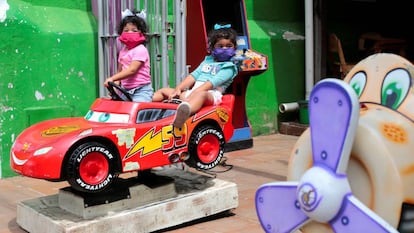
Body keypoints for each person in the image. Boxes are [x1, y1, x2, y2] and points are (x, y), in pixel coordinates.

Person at [152, 23, 239, 128]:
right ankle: (145, 104)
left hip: (210, 94)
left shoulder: (229, 67)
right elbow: (193, 76)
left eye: (229, 46)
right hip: (194, 92)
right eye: (220, 46)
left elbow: (211, 83)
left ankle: (184, 114)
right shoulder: (208, 61)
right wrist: (178, 89)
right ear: (212, 48)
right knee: (164, 91)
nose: (224, 49)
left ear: (234, 48)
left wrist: (194, 93)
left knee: (201, 95)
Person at [104, 9, 153, 102]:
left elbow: (132, 70)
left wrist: (112, 78)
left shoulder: (140, 49)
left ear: (141, 33)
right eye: (126, 30)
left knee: (136, 110)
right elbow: (120, 72)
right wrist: (114, 87)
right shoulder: (123, 51)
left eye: (134, 30)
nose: (130, 33)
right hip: (125, 91)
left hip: (141, 91)